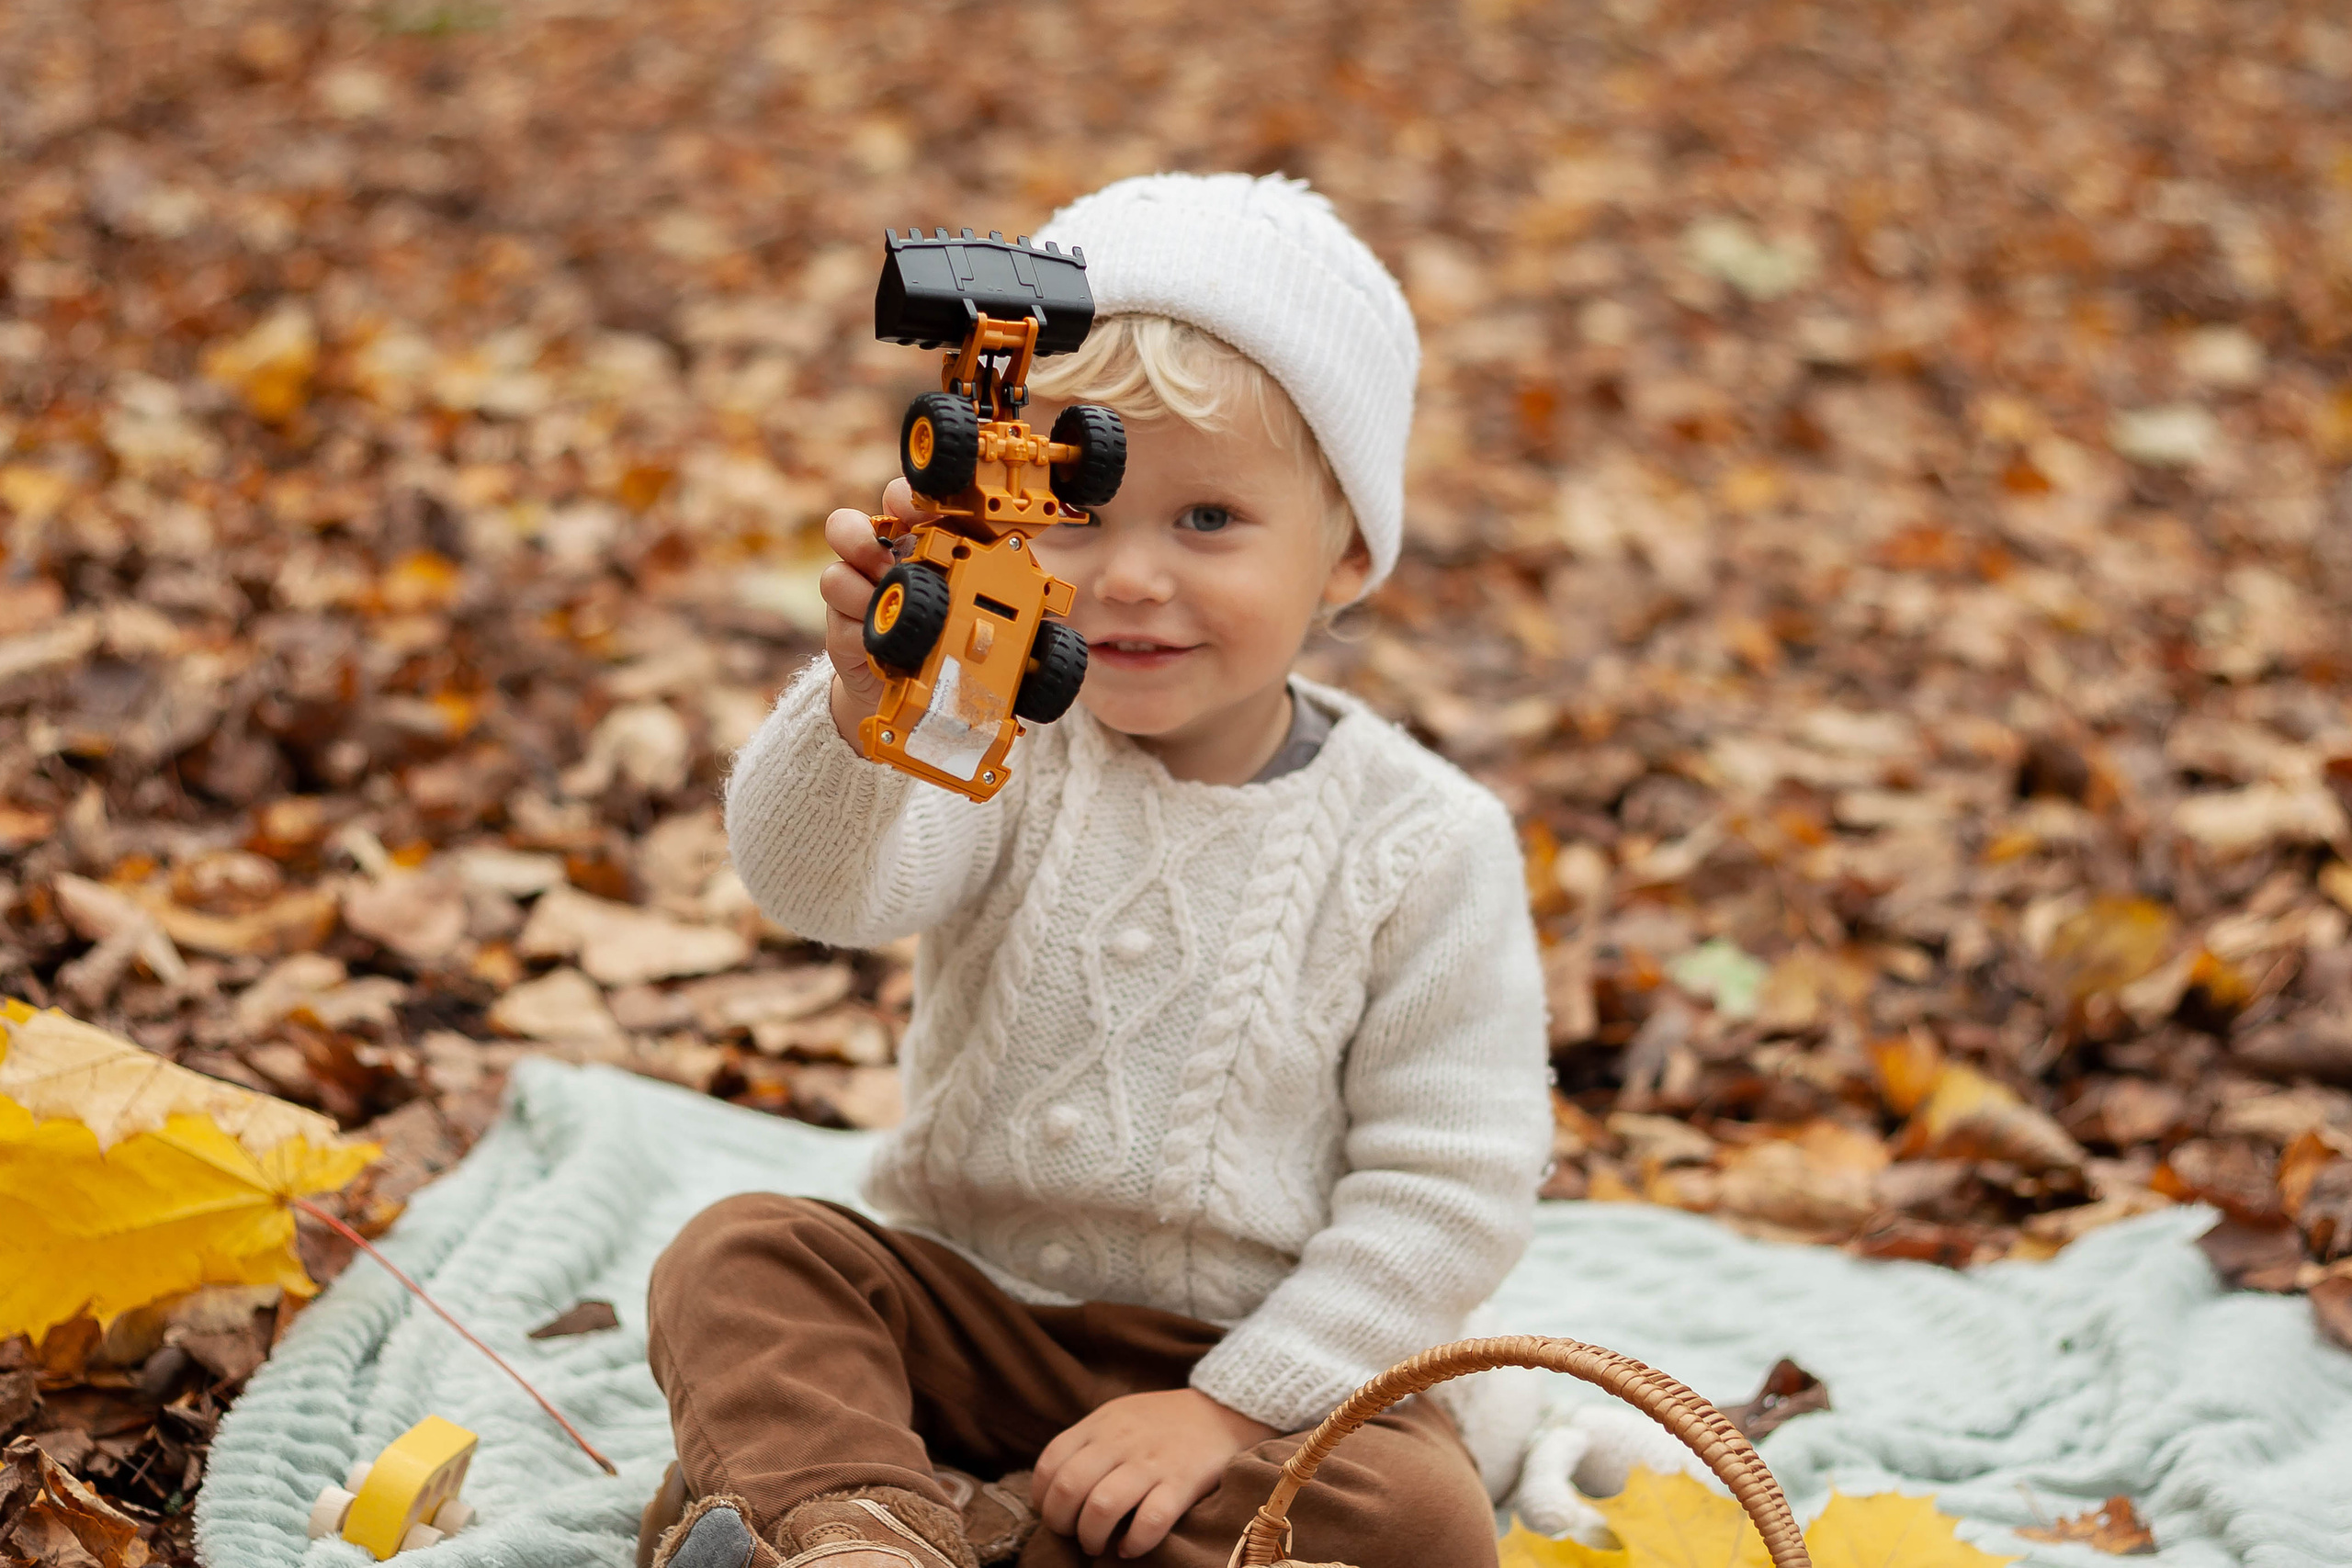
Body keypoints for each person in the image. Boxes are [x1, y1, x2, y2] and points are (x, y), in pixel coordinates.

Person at [640, 172, 1550, 1568]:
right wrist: (860, 715)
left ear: (1348, 551)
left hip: (1257, 1366)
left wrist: (1228, 1407)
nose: (1127, 577)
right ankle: (855, 1526)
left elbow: (1451, 1189)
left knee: (1417, 1518)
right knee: (743, 1259)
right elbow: (821, 891)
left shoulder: (1427, 843)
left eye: (1208, 521)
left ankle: (957, 1524)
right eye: (1074, 510)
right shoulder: (998, 732)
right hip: (973, 1316)